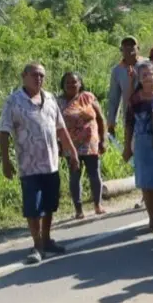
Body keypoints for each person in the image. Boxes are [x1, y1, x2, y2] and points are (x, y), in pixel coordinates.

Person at [0, 62, 79, 263]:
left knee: (50, 204)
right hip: (29, 164)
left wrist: (73, 152)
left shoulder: (50, 98)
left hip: (51, 162)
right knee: (33, 207)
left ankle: (47, 239)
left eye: (42, 75)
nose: (39, 79)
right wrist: (5, 161)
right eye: (34, 75)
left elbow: (60, 128)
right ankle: (37, 245)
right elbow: (4, 131)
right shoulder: (13, 101)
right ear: (24, 76)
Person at [123, 62, 153, 232]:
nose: (148, 78)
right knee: (148, 185)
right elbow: (129, 124)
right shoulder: (134, 99)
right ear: (139, 79)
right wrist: (127, 147)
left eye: (150, 74)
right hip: (143, 143)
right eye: (144, 75)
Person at [59, 71, 107, 219]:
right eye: (67, 82)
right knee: (74, 176)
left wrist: (103, 139)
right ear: (63, 85)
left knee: (94, 174)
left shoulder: (88, 97)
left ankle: (98, 205)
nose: (71, 85)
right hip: (70, 144)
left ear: (80, 83)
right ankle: (78, 209)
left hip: (91, 142)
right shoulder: (58, 102)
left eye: (74, 82)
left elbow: (100, 118)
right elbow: (54, 124)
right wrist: (59, 144)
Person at [105, 35, 140, 141]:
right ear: (121, 50)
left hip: (149, 116)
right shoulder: (117, 70)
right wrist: (111, 124)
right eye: (125, 47)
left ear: (138, 49)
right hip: (129, 117)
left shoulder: (146, 65)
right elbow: (114, 99)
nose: (129, 49)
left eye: (132, 46)